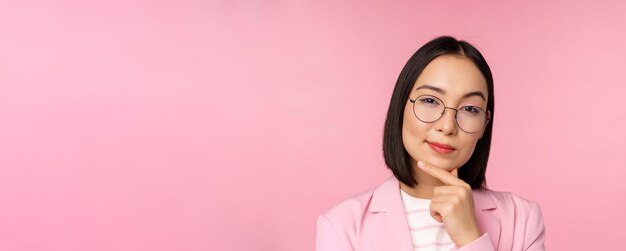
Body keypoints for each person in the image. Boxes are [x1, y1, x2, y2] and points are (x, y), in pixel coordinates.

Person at [315, 36, 546, 251]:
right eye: (430, 100)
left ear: (484, 125)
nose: (447, 126)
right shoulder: (341, 225)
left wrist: (470, 238)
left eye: (469, 109)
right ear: (400, 106)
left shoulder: (522, 218)